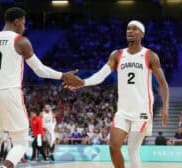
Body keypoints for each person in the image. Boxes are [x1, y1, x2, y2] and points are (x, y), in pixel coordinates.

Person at [0, 7, 83, 168]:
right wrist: (63, 75)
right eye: (24, 23)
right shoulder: (20, 41)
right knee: (20, 142)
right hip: (9, 93)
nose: (24, 27)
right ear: (17, 21)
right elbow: (39, 70)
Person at [65, 20, 169, 168]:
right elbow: (101, 75)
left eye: (134, 29)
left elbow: (163, 83)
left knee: (133, 150)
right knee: (113, 147)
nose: (130, 31)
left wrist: (165, 105)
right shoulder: (117, 55)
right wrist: (84, 82)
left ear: (142, 34)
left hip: (142, 110)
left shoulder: (150, 55)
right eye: (128, 29)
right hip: (123, 110)